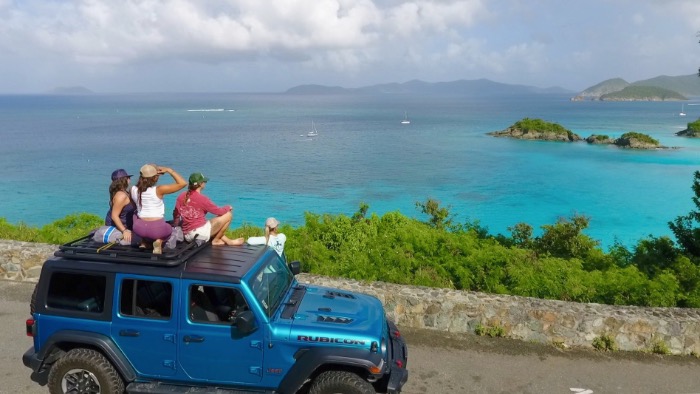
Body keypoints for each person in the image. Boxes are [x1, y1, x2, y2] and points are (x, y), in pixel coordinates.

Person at [173, 172, 244, 246]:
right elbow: (219, 211)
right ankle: (216, 240)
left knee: (208, 222)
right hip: (199, 235)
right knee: (228, 215)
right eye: (204, 181)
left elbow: (176, 214)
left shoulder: (181, 196)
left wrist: (176, 227)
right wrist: (228, 207)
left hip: (187, 235)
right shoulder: (202, 199)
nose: (205, 183)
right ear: (201, 184)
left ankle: (229, 241)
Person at [130, 164, 187, 254]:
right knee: (169, 229)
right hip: (157, 230)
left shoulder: (133, 189)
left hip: (138, 228)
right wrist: (169, 170)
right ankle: (159, 241)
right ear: (155, 178)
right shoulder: (159, 190)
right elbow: (183, 183)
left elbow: (134, 206)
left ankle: (144, 242)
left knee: (136, 213)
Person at [105, 169, 136, 244]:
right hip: (118, 228)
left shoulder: (124, 192)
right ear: (125, 180)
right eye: (128, 178)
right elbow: (114, 216)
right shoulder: (121, 196)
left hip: (125, 226)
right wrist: (124, 231)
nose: (130, 179)